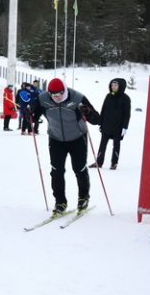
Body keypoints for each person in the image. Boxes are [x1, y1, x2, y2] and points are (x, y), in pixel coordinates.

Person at [28, 77, 100, 215]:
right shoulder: (43, 99)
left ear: (65, 90)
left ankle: (83, 198)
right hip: (56, 139)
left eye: (60, 94)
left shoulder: (77, 98)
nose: (57, 97)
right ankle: (60, 201)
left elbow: (96, 119)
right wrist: (29, 114)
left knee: (79, 169)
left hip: (77, 138)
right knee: (56, 170)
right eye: (53, 95)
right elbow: (33, 116)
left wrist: (88, 112)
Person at [91, 77, 131, 170]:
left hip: (118, 127)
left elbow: (127, 114)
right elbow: (103, 110)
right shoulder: (108, 96)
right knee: (102, 145)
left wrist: (125, 127)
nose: (113, 87)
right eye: (112, 85)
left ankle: (114, 163)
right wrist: (100, 122)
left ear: (121, 86)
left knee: (116, 145)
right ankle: (99, 162)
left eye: (116, 85)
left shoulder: (125, 99)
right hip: (106, 126)